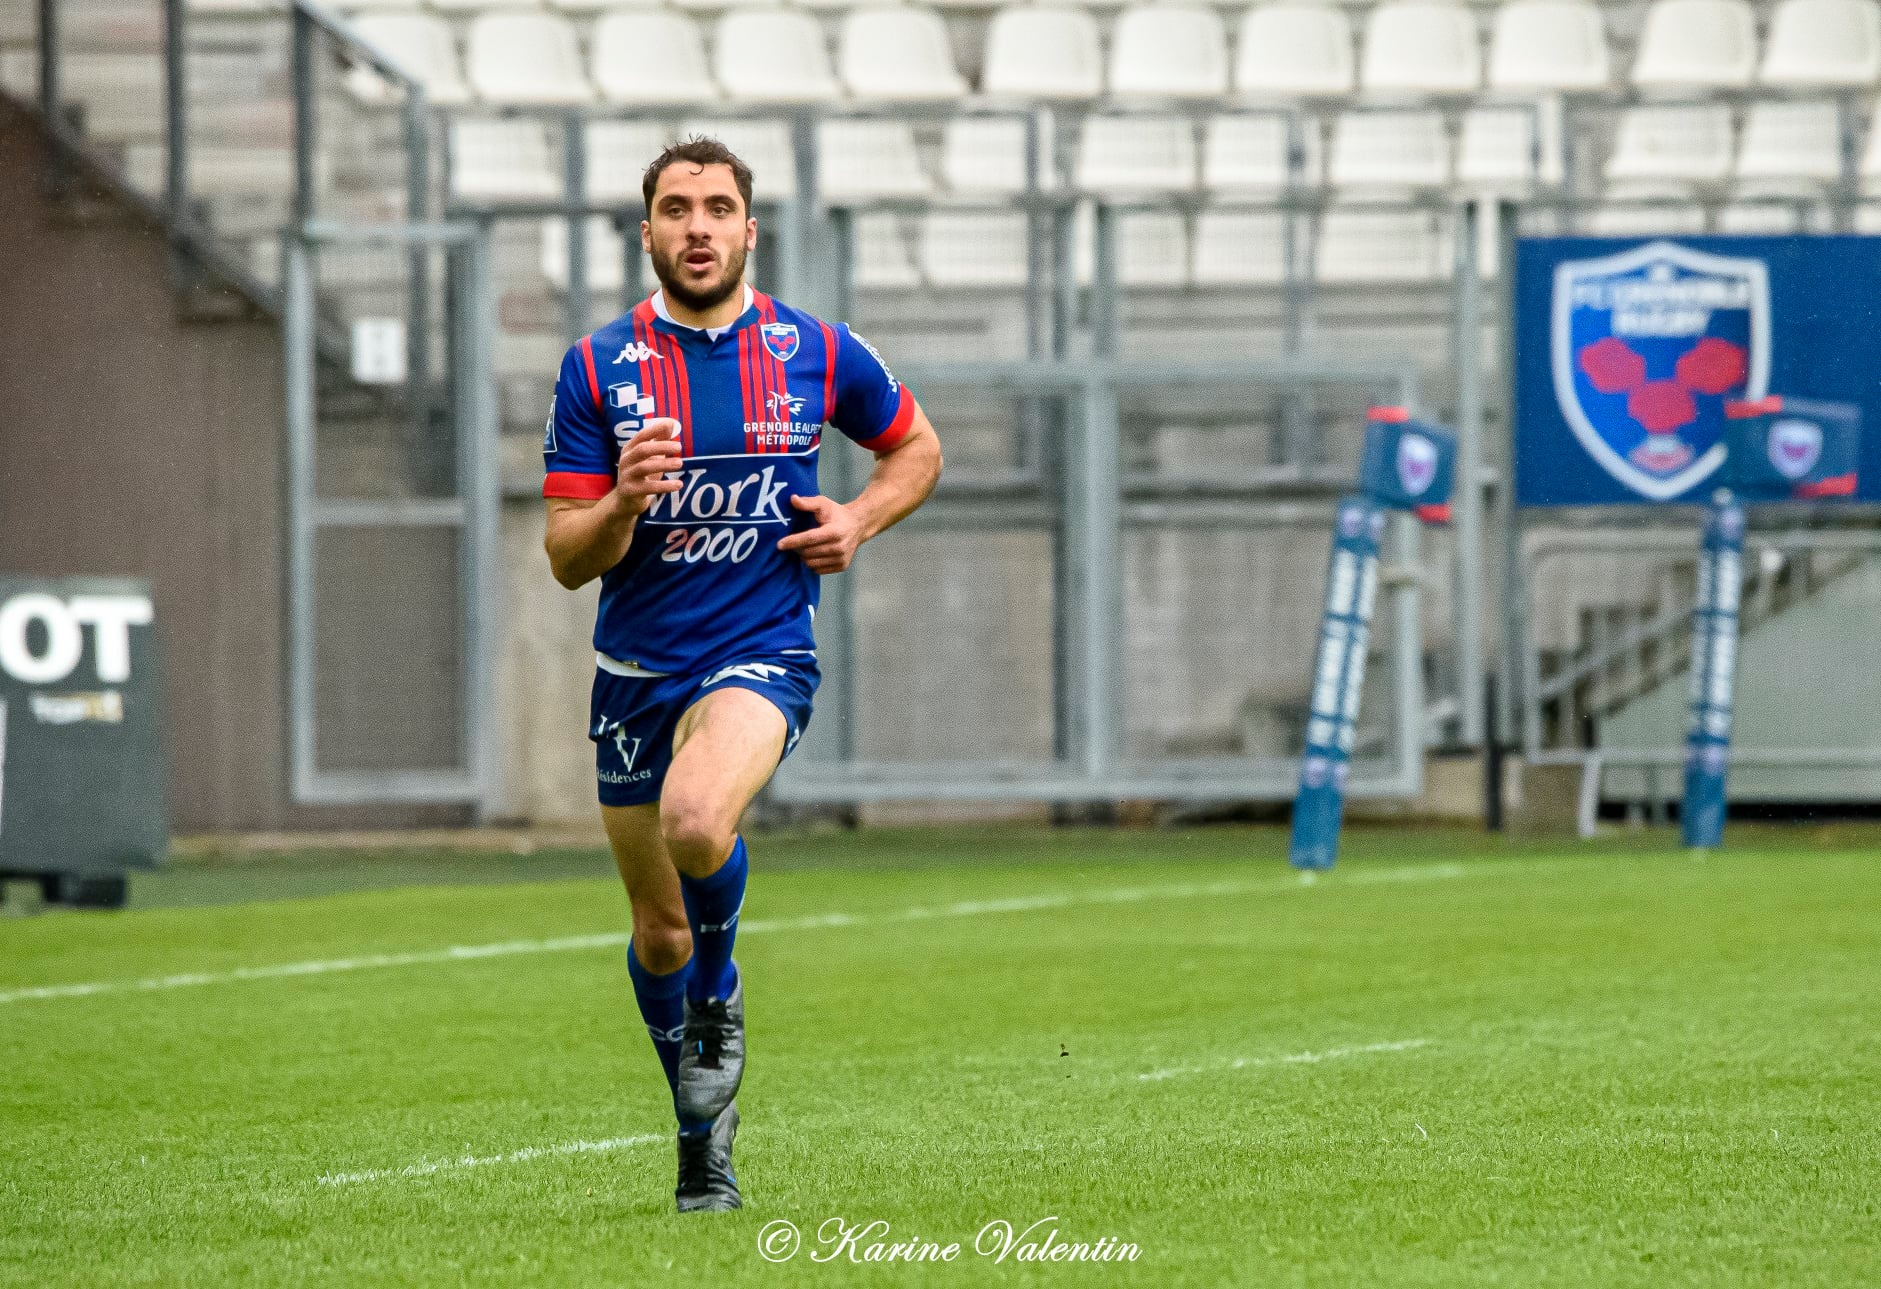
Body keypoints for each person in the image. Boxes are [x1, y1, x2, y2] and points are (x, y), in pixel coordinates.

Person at [541, 138, 943, 1212]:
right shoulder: (596, 370)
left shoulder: (814, 348)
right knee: (656, 928)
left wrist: (857, 516)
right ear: (648, 232)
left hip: (761, 651)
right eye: (677, 209)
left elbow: (918, 450)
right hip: (634, 669)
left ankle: (721, 996)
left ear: (751, 229)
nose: (699, 226)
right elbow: (566, 557)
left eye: (719, 207)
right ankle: (701, 1144)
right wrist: (620, 504)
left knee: (696, 817)